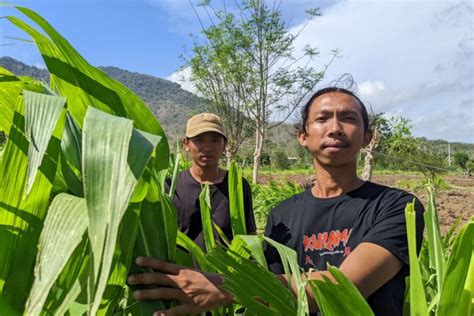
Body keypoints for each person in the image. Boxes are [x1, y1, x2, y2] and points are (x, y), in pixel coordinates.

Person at [128, 88, 425, 316]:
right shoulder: (283, 214)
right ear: (303, 137)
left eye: (348, 118)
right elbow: (271, 295)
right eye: (322, 119)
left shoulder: (397, 207)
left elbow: (343, 287)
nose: (335, 128)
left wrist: (225, 286)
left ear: (367, 137)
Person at [166, 112, 256, 249]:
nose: (208, 147)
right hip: (181, 269)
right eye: (199, 140)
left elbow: (249, 235)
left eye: (215, 140)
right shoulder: (171, 187)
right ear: (186, 144)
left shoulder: (237, 185)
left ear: (224, 144)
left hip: (225, 270)